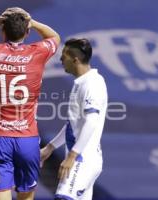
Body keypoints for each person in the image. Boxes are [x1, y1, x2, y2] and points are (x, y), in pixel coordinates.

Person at [0, 7, 60, 200]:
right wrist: (31, 21)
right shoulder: (38, 52)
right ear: (27, 32)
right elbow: (55, 37)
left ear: (2, 31)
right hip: (27, 137)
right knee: (26, 196)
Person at [40, 38, 108, 200]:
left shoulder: (92, 84)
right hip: (83, 159)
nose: (61, 59)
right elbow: (74, 124)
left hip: (83, 160)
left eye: (64, 55)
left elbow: (91, 121)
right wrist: (50, 147)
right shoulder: (81, 83)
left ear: (75, 59)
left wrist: (72, 156)